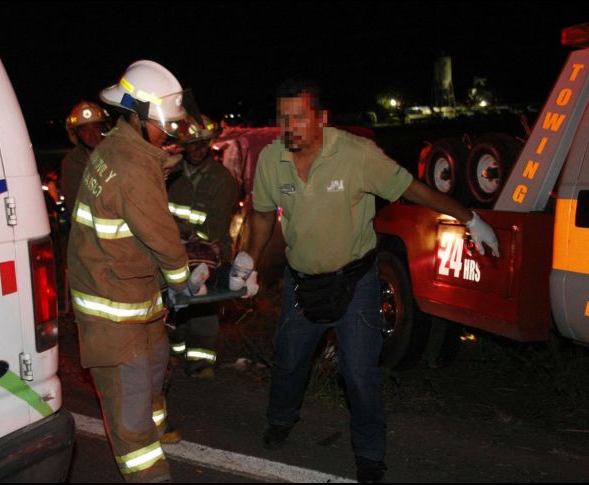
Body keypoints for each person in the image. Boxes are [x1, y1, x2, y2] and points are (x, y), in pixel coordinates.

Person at [242, 77, 499, 483]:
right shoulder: (272, 161)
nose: (289, 127)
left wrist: (471, 218)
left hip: (355, 284)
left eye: (299, 117)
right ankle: (280, 420)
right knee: (289, 364)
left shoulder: (357, 155)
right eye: (283, 118)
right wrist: (247, 260)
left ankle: (369, 455)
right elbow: (260, 214)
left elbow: (412, 189)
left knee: (360, 375)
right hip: (301, 284)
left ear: (320, 118)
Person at [67, 60, 198, 483]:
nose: (168, 133)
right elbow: (162, 239)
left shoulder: (120, 147)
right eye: (163, 124)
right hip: (112, 311)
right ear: (140, 115)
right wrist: (184, 283)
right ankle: (149, 470)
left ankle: (155, 428)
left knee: (155, 369)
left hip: (135, 295)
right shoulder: (132, 166)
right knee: (130, 408)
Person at [167, 114, 240, 379]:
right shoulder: (170, 177)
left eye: (201, 143)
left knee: (203, 308)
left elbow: (216, 227)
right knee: (174, 304)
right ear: (182, 146)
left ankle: (200, 362)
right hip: (173, 252)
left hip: (209, 254)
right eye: (191, 144)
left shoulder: (223, 180)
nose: (196, 149)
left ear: (210, 144)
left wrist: (181, 231)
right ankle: (174, 352)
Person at [61, 100, 113, 216]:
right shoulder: (72, 163)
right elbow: (75, 207)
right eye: (84, 129)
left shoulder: (119, 153)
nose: (92, 134)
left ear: (105, 128)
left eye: (96, 127)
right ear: (76, 134)